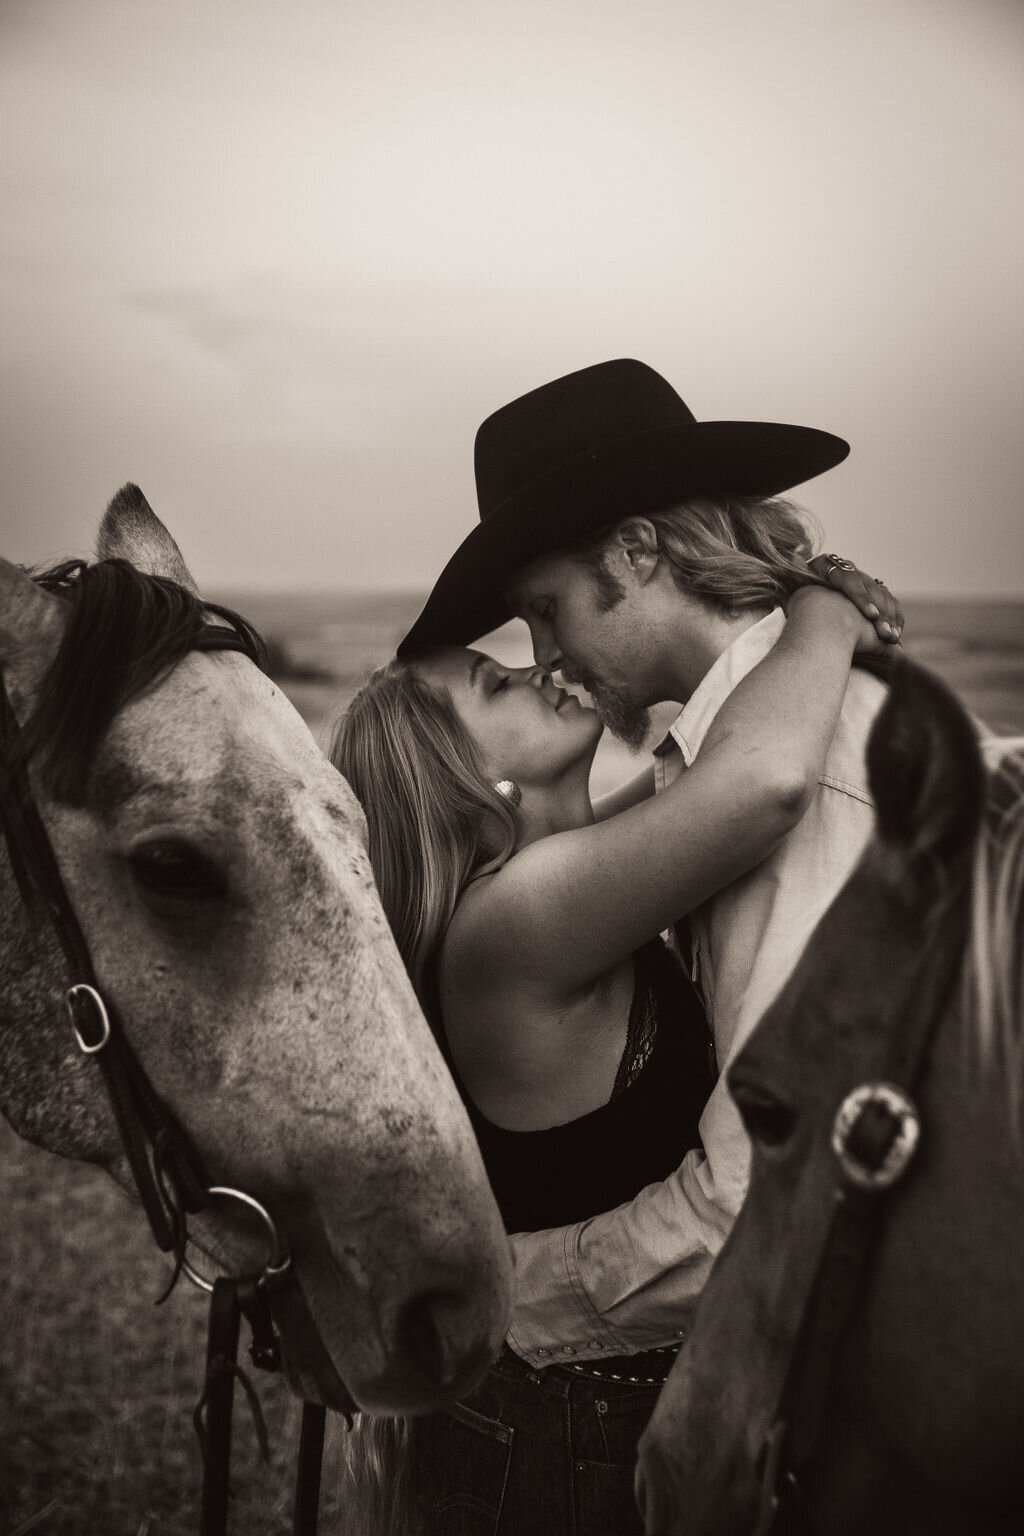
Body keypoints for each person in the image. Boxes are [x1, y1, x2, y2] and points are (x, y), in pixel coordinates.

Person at [375, 358, 902, 1529]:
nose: (547, 658)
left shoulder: (812, 769)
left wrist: (507, 1305)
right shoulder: (702, 781)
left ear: (632, 552)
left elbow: (763, 1201)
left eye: (546, 609)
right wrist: (818, 598)